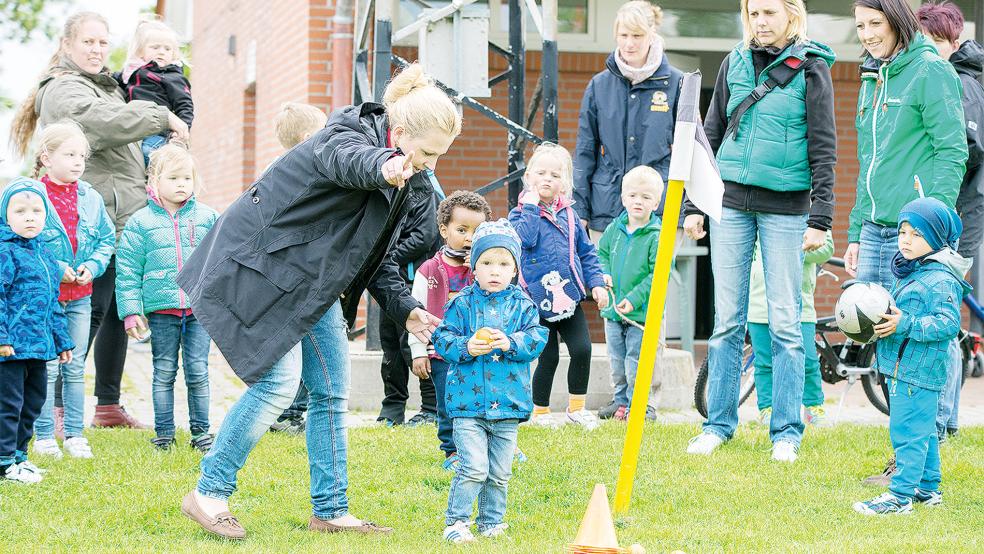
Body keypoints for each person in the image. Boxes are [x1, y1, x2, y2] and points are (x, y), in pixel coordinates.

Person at [175, 63, 460, 539]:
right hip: (266, 266)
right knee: (278, 386)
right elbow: (346, 161)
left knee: (331, 391)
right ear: (401, 130)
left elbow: (377, 259)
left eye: (439, 156)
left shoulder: (411, 181)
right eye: (427, 152)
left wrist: (405, 308)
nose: (431, 165)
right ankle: (208, 491)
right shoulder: (346, 131)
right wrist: (383, 166)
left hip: (316, 284)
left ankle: (330, 510)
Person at [10, 11, 189, 429]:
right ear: (68, 45)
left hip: (121, 213)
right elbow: (97, 123)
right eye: (88, 42)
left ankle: (107, 404)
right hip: (87, 220)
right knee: (82, 310)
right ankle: (54, 406)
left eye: (103, 42)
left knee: (116, 309)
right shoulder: (62, 88)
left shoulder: (105, 86)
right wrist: (160, 117)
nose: (96, 50)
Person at [683, 0, 837, 463]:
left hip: (787, 209)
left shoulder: (812, 69)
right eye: (754, 13)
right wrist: (695, 203)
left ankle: (787, 431)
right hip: (729, 205)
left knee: (787, 323)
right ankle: (718, 425)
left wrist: (821, 216)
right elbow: (710, 133)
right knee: (727, 320)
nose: (761, 22)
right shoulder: (733, 61)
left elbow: (825, 143)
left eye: (770, 13)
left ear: (792, 16)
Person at [847, 0, 967, 486]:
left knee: (917, 346)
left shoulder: (931, 72)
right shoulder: (874, 75)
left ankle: (921, 458)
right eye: (859, 26)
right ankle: (908, 452)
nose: (867, 34)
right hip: (876, 228)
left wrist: (928, 226)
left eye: (875, 23)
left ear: (898, 20)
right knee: (884, 340)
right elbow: (868, 160)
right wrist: (856, 227)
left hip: (914, 230)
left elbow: (951, 148)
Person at [432, 220, 548, 543]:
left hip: (508, 405)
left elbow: (537, 338)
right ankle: (456, 522)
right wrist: (466, 346)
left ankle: (491, 522)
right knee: (473, 468)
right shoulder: (462, 304)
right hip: (468, 405)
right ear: (474, 267)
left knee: (499, 472)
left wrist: (511, 342)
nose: (494, 271)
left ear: (514, 269)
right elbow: (442, 339)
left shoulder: (522, 305)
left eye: (503, 263)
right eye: (486, 263)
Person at [853, 198, 969, 515]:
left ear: (936, 239)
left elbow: (948, 324)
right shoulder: (914, 270)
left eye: (916, 234)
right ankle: (928, 489)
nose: (906, 239)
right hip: (902, 366)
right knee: (924, 431)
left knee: (907, 433)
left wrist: (906, 323)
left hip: (918, 371)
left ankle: (900, 496)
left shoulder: (941, 279)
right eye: (903, 231)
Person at [115, 144, 219, 452]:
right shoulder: (140, 223)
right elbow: (128, 272)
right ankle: (164, 434)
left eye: (187, 178)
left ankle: (201, 433)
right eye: (174, 178)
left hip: (199, 310)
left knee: (198, 370)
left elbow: (221, 262)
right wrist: (131, 312)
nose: (182, 185)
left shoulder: (207, 218)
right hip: (161, 311)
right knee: (163, 372)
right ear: (154, 181)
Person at [916, 0, 984, 441]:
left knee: (938, 308)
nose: (927, 51)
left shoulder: (962, 83)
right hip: (948, 208)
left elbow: (968, 148)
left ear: (953, 42)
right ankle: (947, 418)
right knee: (941, 309)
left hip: (957, 211)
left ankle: (940, 421)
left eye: (934, 43)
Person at [509, 143, 609, 429]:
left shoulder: (570, 216)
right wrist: (529, 206)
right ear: (529, 177)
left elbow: (587, 252)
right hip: (536, 301)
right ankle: (540, 413)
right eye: (540, 173)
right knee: (548, 355)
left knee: (582, 349)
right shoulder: (520, 215)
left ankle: (576, 409)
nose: (547, 179)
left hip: (568, 298)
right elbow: (524, 240)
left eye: (555, 174)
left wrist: (597, 284)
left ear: (564, 182)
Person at [30, 122, 114, 460]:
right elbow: (24, 242)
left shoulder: (90, 198)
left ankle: (76, 435)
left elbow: (106, 240)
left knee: (75, 365)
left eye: (82, 155)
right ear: (47, 158)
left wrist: (91, 268)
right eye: (70, 154)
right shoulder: (33, 196)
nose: (78, 161)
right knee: (48, 366)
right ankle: (44, 435)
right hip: (46, 299)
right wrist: (56, 268)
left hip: (80, 297)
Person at [574, 0, 682, 242]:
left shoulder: (677, 83)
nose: (629, 43)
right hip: (606, 207)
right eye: (623, 35)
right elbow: (584, 151)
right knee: (605, 280)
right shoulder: (599, 85)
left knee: (652, 281)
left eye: (637, 35)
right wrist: (579, 209)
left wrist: (688, 211)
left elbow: (692, 152)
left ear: (652, 35)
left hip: (660, 208)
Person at [408, 190, 491, 469]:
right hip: (442, 351)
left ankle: (493, 445)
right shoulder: (428, 270)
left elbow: (497, 299)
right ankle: (452, 450)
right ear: (444, 230)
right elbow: (416, 315)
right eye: (461, 230)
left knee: (483, 399)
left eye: (477, 231)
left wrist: (479, 271)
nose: (469, 238)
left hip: (479, 349)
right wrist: (419, 352)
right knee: (449, 403)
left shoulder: (485, 268)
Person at [0, 179, 74, 484]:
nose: (29, 216)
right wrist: (2, 337)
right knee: (9, 405)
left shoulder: (44, 254)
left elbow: (51, 302)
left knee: (32, 403)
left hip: (39, 346)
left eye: (36, 211)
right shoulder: (5, 252)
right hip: (12, 348)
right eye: (20, 211)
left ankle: (20, 457)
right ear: (6, 216)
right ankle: (4, 463)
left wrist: (62, 340)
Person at [267, 102, 328, 434]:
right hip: (302, 274)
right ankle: (291, 410)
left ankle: (288, 410)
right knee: (304, 346)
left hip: (281, 275)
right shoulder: (306, 172)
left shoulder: (274, 170)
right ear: (308, 137)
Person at [597, 165, 664, 422]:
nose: (638, 201)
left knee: (636, 360)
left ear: (656, 203)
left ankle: (640, 404)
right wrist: (604, 274)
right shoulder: (615, 229)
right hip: (613, 311)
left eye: (646, 197)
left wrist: (634, 298)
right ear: (624, 198)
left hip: (640, 313)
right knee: (616, 359)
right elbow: (601, 253)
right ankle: (621, 401)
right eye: (633, 196)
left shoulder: (656, 236)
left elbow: (658, 275)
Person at [375, 170, 443, 427]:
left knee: (414, 343)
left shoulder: (421, 184)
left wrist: (386, 258)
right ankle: (392, 408)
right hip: (389, 281)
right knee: (390, 344)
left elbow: (423, 236)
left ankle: (430, 408)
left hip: (413, 281)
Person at [748, 231, 834, 428]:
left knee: (809, 360)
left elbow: (826, 249)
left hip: (799, 304)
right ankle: (767, 408)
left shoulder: (813, 209)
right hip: (759, 303)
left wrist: (790, 249)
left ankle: (813, 406)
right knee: (765, 362)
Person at [116, 19, 194, 164]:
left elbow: (185, 104)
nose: (161, 52)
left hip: (157, 133)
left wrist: (181, 130)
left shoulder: (172, 76)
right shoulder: (131, 71)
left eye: (167, 49)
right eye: (155, 47)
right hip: (135, 129)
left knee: (147, 155)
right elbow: (113, 80)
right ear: (140, 51)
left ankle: (154, 183)